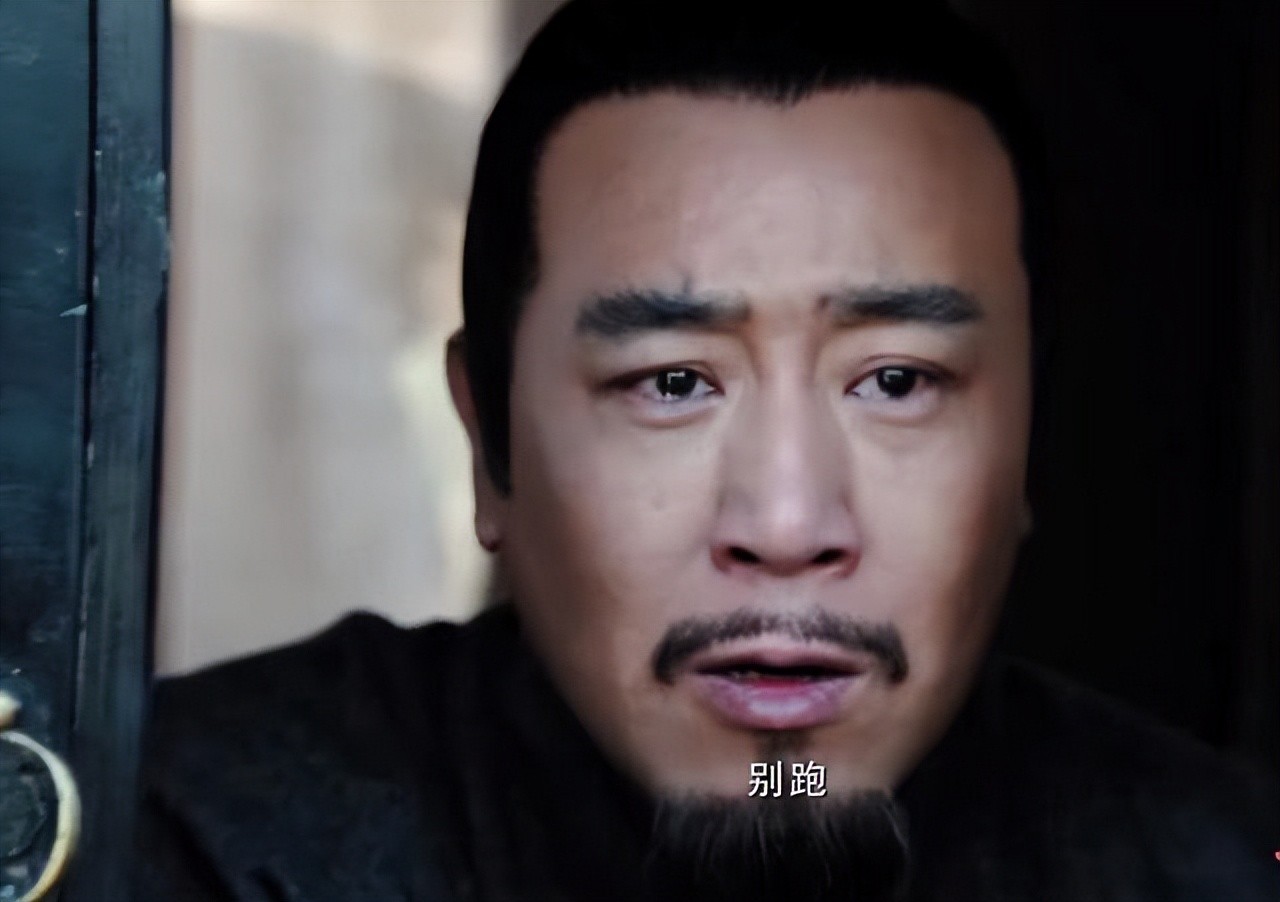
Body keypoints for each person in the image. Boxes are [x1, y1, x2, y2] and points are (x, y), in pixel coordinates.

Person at [137, 2, 1279, 900]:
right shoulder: (194, 843)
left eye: (895, 381)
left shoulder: (1211, 863)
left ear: (1026, 442)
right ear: (488, 442)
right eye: (673, 383)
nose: (785, 524)